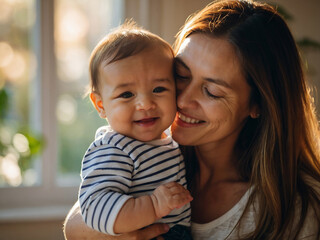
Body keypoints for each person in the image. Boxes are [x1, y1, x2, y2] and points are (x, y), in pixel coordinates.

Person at [64, 0, 320, 239]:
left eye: (212, 91)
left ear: (258, 103)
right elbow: (78, 221)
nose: (183, 100)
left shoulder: (295, 208)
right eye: (180, 75)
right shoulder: (151, 149)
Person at [77, 21, 193, 240]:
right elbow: (95, 208)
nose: (145, 104)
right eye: (127, 94)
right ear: (101, 105)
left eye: (158, 89)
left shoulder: (168, 141)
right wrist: (154, 204)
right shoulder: (114, 149)